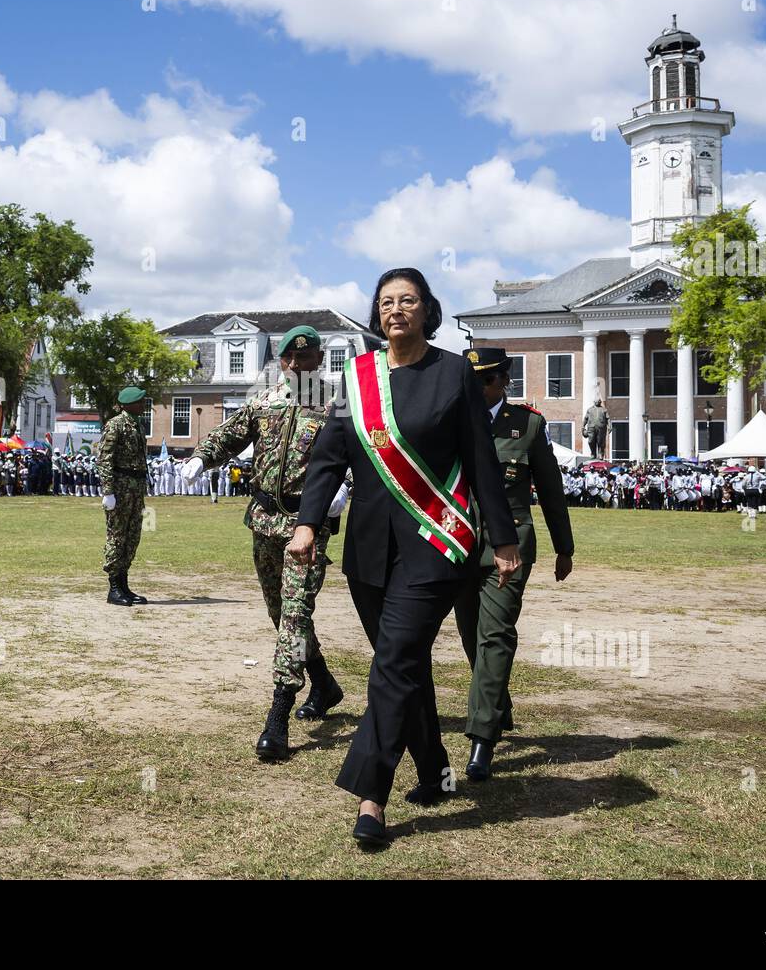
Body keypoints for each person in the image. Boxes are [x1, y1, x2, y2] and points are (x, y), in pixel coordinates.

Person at [290, 267, 520, 847]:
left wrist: (504, 537)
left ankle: (372, 797)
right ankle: (438, 770)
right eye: (387, 302)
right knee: (407, 666)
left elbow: (480, 458)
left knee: (392, 663)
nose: (397, 310)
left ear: (427, 309)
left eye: (408, 301)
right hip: (369, 550)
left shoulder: (452, 374)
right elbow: (328, 459)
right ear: (377, 313)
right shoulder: (357, 377)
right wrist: (308, 523)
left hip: (435, 544)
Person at [182, 325, 349, 761]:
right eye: (288, 360)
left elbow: (360, 453)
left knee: (295, 613)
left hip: (306, 522)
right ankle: (325, 684)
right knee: (280, 611)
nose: (295, 366)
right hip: (263, 519)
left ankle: (278, 711)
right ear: (281, 362)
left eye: (304, 358)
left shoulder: (337, 403)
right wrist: (201, 456)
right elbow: (232, 433)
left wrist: (344, 487)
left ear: (317, 358)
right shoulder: (264, 399)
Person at [452, 348, 573, 780]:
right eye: (472, 380)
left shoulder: (528, 425)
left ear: (503, 380)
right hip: (459, 544)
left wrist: (565, 548)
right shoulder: (454, 421)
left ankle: (482, 738)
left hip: (510, 548)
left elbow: (551, 490)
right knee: (471, 635)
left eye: (484, 380)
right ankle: (498, 706)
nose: (476, 388)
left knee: (495, 634)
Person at [98, 386, 151, 605]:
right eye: (140, 402)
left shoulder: (137, 424)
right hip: (120, 489)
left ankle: (124, 584)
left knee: (132, 537)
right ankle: (114, 587)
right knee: (117, 536)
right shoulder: (115, 425)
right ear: (129, 404)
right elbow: (105, 459)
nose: (143, 406)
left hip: (135, 488)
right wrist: (108, 491)